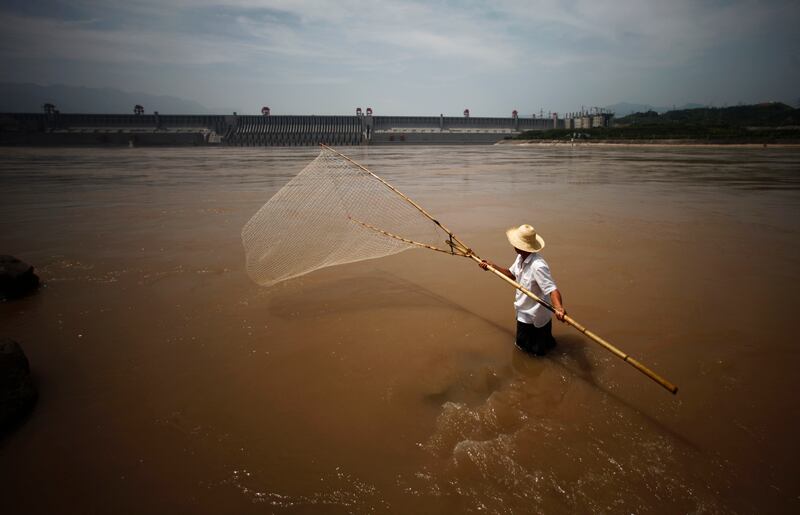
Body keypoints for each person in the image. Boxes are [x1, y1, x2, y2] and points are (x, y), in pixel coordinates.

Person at [479, 224, 566, 356]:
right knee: (545, 347)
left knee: (527, 351)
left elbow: (552, 289)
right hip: (524, 310)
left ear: (521, 246)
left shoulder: (538, 266)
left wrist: (559, 308)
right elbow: (511, 275)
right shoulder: (521, 258)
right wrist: (492, 266)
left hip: (534, 316)